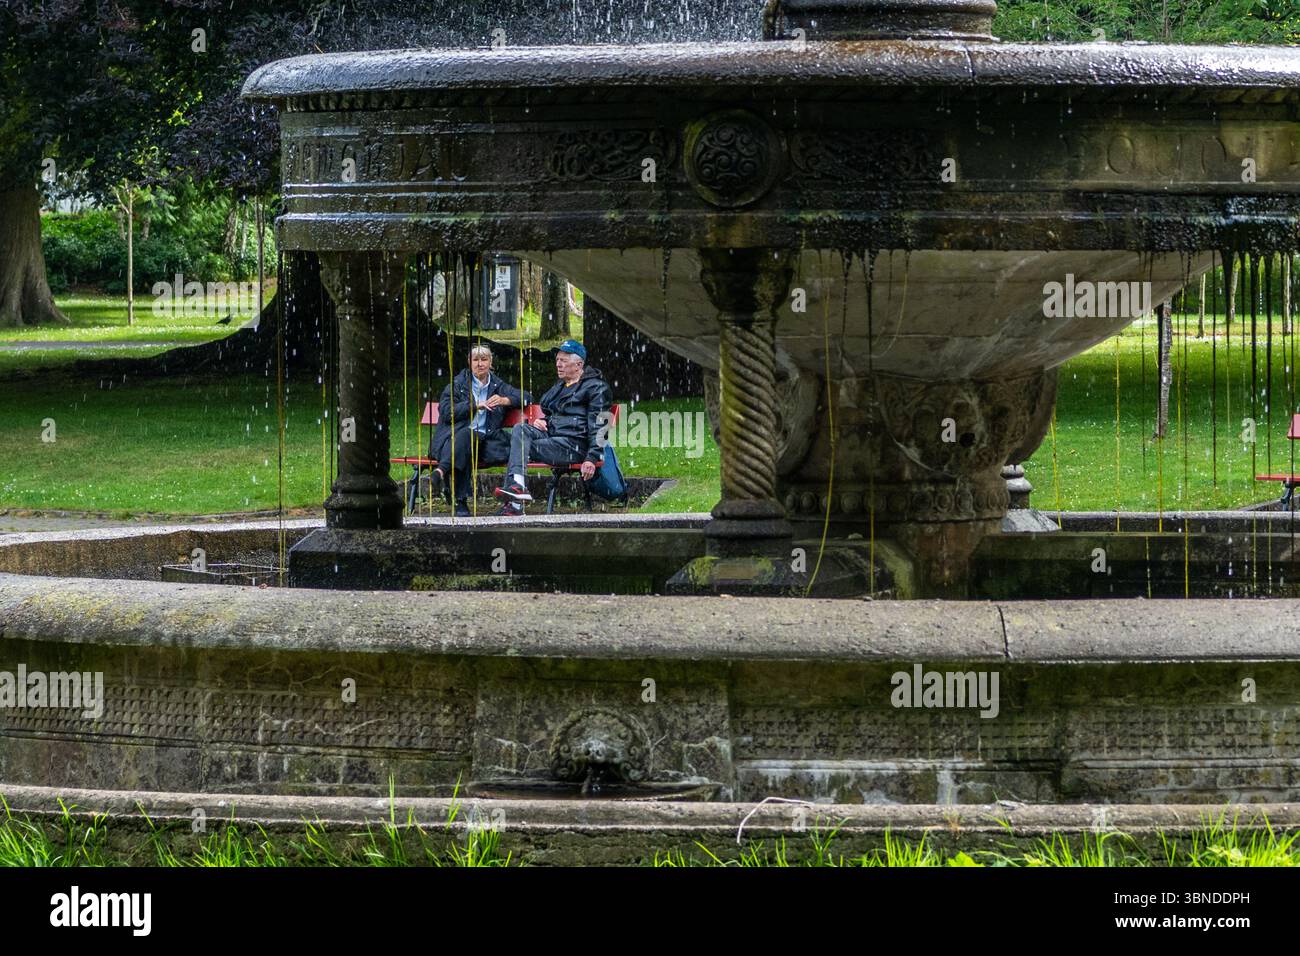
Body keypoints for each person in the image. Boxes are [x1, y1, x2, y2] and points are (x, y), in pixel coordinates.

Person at [494, 339, 611, 516]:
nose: (558, 364)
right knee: (520, 429)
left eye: (563, 361)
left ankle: (515, 505)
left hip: (575, 445)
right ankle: (517, 486)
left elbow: (601, 426)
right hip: (553, 439)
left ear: (579, 364)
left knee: (520, 447)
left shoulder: (596, 388)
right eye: (557, 360)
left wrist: (592, 458)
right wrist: (543, 421)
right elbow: (553, 413)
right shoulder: (560, 386)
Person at [429, 345, 528, 516]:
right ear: (469, 362)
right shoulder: (457, 385)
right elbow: (446, 413)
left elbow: (526, 397)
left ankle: (443, 473)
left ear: (491, 362)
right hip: (452, 440)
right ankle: (459, 500)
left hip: (486, 443)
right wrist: (475, 406)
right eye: (475, 359)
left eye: (484, 359)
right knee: (467, 437)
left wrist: (505, 400)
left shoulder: (498, 385)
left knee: (475, 441)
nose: (479, 363)